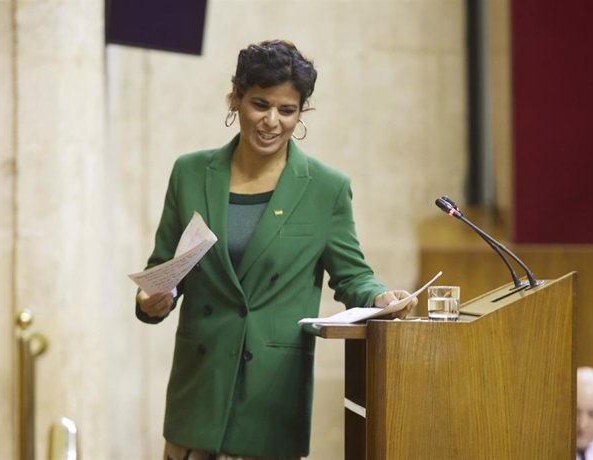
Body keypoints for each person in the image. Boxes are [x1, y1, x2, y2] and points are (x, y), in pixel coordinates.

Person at [135, 39, 417, 460]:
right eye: (260, 104)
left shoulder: (326, 187)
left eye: (287, 110)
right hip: (198, 392)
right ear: (236, 99)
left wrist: (380, 296)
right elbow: (165, 266)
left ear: (301, 112)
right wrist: (153, 299)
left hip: (272, 392)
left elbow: (352, 274)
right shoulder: (190, 173)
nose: (272, 121)